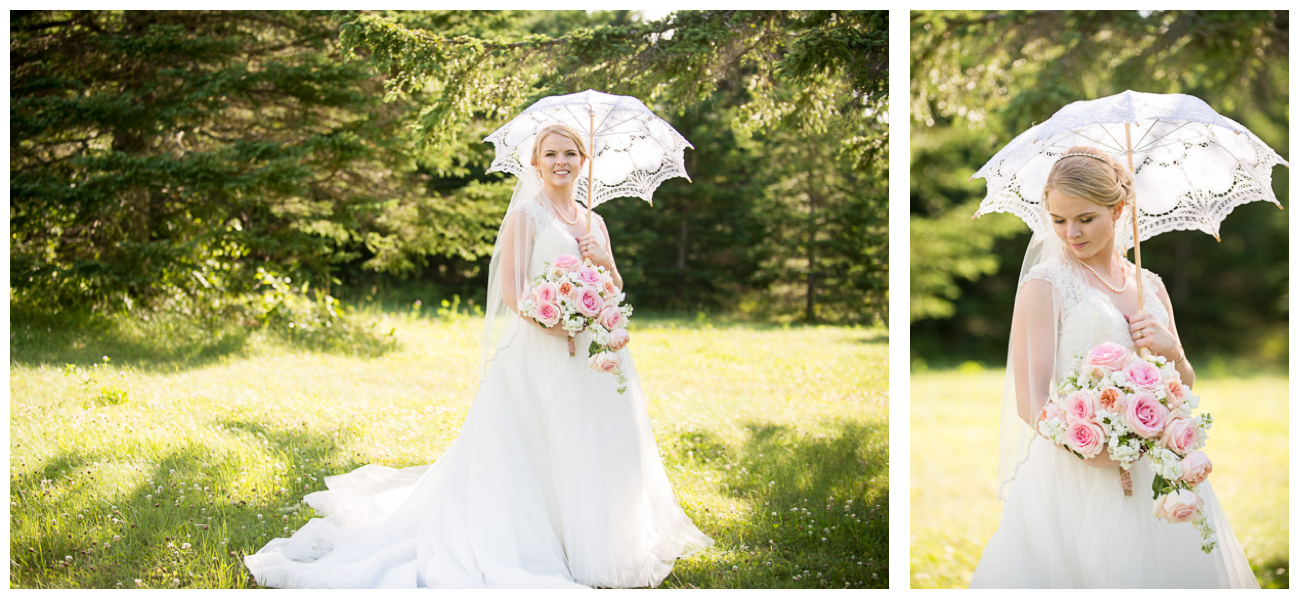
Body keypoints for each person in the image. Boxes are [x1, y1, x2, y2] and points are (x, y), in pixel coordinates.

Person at [243, 123, 712, 588]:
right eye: (550, 154)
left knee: (586, 441)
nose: (561, 162)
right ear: (536, 162)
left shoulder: (596, 222)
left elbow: (613, 287)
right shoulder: (526, 216)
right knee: (537, 446)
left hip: (592, 353)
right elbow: (512, 289)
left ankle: (588, 540)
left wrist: (605, 262)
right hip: (539, 348)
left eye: (570, 153)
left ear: (584, 161)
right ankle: (534, 539)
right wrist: (553, 322)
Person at [969, 146, 1258, 588]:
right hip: (1076, 472)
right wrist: (1092, 450)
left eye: (1085, 219)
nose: (1071, 233)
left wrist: (1172, 351)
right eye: (1059, 219)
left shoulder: (1151, 286)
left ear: (1118, 209)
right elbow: (1030, 400)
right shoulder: (1045, 285)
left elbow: (1184, 387)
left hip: (1156, 468)